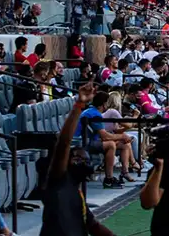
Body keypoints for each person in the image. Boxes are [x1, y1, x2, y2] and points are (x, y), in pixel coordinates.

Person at [38, 82, 116, 236]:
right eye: (77, 158)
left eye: (85, 159)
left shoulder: (78, 195)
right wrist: (79, 105)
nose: (83, 161)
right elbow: (64, 143)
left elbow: (94, 226)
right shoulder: (58, 179)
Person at [76, 90, 134, 187]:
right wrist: (122, 136)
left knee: (124, 145)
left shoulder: (93, 111)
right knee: (111, 145)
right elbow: (105, 136)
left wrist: (120, 138)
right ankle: (109, 179)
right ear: (104, 103)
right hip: (84, 142)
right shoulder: (94, 114)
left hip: (93, 140)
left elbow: (103, 135)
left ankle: (125, 172)